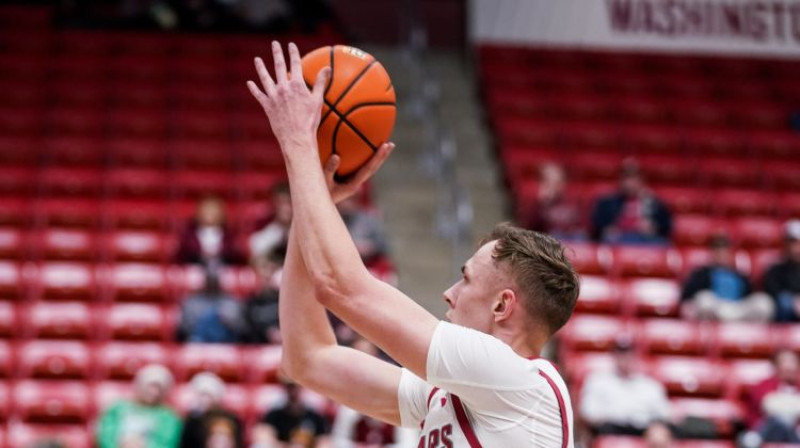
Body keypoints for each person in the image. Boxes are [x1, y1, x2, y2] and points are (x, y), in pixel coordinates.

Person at [247, 42, 579, 447]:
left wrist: (299, 145)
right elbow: (308, 358)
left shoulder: (520, 383)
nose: (448, 293)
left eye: (467, 280)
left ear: (502, 304)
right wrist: (313, 203)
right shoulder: (455, 394)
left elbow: (340, 287)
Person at [579, 339, 670, 436]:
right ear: (614, 355)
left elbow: (664, 414)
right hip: (610, 429)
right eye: (621, 353)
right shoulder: (598, 380)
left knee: (659, 433)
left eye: (628, 354)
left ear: (635, 356)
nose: (625, 358)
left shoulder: (649, 385)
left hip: (642, 431)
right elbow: (588, 412)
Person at [680, 233, 774, 322]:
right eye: (718, 250)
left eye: (724, 250)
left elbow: (750, 295)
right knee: (704, 299)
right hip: (716, 309)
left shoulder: (740, 276)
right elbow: (687, 297)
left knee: (763, 302)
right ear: (712, 253)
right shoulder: (701, 274)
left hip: (739, 310)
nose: (721, 253)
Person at [97, 364, 182, 448]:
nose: (154, 392)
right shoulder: (117, 408)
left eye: (159, 388)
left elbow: (167, 444)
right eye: (150, 386)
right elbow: (105, 437)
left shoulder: (168, 417)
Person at [590, 160, 672, 244]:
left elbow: (666, 226)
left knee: (662, 243)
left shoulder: (654, 202)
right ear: (620, 180)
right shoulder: (607, 202)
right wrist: (607, 229)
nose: (629, 183)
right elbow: (597, 225)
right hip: (618, 239)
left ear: (641, 181)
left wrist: (653, 228)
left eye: (633, 179)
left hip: (645, 239)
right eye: (626, 179)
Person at [741, 349, 800, 446]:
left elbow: (775, 406)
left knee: (784, 422)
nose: (790, 366)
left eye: (793, 361)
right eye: (785, 361)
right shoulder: (763, 385)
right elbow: (769, 406)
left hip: (794, 435)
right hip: (767, 432)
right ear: (776, 366)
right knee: (777, 421)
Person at [251, 381, 329, 448]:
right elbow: (263, 435)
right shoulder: (274, 415)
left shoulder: (314, 416)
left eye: (296, 386)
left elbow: (324, 441)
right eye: (290, 386)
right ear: (285, 388)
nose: (293, 391)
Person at [179, 372, 245, 448]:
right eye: (201, 395)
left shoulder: (228, 418)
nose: (204, 400)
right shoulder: (191, 421)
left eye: (208, 396)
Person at [523, 163, 585, 240]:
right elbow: (530, 227)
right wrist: (543, 202)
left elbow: (582, 225)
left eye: (558, 181)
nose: (554, 185)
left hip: (571, 239)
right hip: (547, 240)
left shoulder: (572, 200)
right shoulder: (537, 201)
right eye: (550, 181)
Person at [177, 271, 244, 343]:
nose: (212, 282)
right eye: (210, 278)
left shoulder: (231, 301)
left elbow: (241, 328)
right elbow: (184, 329)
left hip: (226, 342)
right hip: (199, 343)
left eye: (214, 278)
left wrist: (225, 321)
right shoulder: (192, 301)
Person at [177, 196, 242, 268]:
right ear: (198, 212)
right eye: (206, 209)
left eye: (213, 209)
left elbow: (237, 258)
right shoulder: (188, 235)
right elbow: (181, 257)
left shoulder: (229, 236)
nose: (210, 213)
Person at [242, 245, 286, 344]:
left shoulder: (285, 299)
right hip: (258, 348)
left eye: (271, 269)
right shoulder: (250, 302)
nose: (266, 274)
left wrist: (281, 334)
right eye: (263, 268)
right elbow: (246, 330)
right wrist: (266, 333)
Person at [763, 219, 800, 322]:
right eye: (793, 243)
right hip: (784, 313)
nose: (797, 248)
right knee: (784, 301)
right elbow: (772, 292)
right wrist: (794, 301)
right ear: (786, 245)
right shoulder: (775, 269)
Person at [249, 182, 292, 263]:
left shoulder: (304, 227)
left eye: (288, 202)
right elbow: (255, 248)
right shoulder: (264, 223)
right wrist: (278, 231)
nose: (285, 208)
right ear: (273, 204)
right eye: (280, 203)